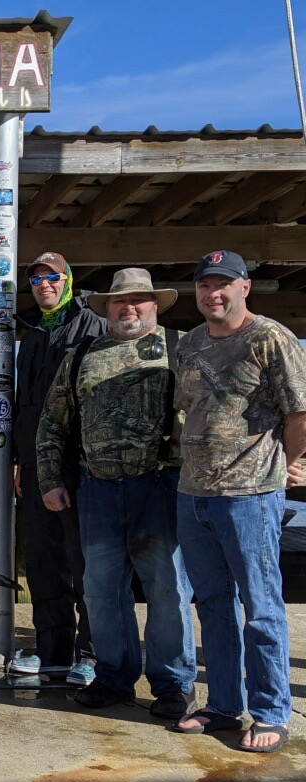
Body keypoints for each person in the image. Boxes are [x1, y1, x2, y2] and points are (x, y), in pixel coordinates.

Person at [36, 268, 197, 717]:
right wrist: (49, 480)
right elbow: (52, 421)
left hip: (161, 486)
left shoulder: (181, 347)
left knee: (167, 588)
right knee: (101, 591)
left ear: (154, 306)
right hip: (97, 489)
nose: (128, 308)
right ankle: (113, 677)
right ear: (106, 308)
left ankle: (174, 684)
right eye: (119, 302)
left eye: (138, 301)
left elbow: (219, 410)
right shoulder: (84, 352)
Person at [172, 250, 306, 753]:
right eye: (205, 286)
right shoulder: (189, 343)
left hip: (250, 494)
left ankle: (271, 710)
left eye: (224, 284)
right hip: (193, 494)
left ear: (245, 286)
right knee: (212, 605)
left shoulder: (270, 338)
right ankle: (224, 705)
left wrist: (293, 465)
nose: (214, 294)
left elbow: (300, 412)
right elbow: (186, 411)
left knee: (262, 607)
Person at [12, 252, 106, 685]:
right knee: (43, 560)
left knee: (84, 560)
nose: (43, 285)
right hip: (34, 464)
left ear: (68, 279)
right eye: (36, 280)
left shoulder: (92, 324)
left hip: (78, 463)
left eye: (52, 277)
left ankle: (90, 653)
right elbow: (19, 402)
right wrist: (17, 458)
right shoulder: (30, 331)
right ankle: (52, 650)